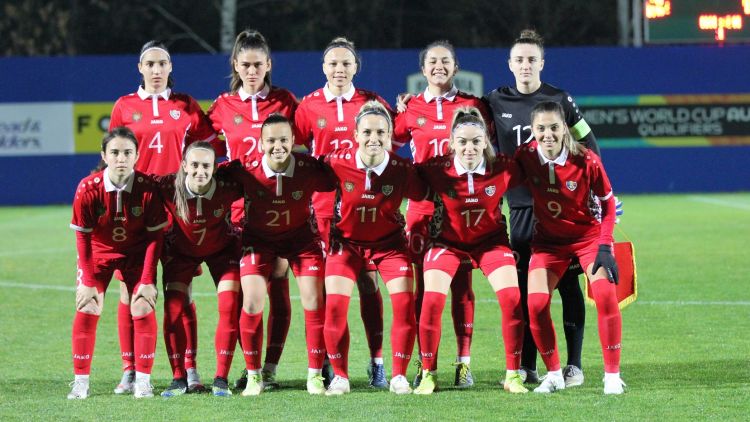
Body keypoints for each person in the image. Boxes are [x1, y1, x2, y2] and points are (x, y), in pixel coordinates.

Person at [483, 29, 599, 387]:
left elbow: (589, 143)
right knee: (525, 290)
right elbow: (462, 119)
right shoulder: (495, 101)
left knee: (566, 286)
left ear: (542, 63)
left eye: (532, 59)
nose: (525, 65)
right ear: (510, 64)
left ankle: (574, 365)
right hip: (519, 209)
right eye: (519, 59)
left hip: (561, 210)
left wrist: (592, 191)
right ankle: (530, 365)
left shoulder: (559, 99)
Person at [108, 40, 217, 394]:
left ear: (171, 68)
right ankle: (130, 369)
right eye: (150, 64)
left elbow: (207, 147)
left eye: (162, 64)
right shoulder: (124, 106)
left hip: (176, 209)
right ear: (140, 68)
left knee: (179, 291)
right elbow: (114, 158)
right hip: (136, 210)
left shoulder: (185, 106)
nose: (156, 71)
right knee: (130, 291)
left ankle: (191, 368)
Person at [295, 36, 399, 388]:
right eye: (333, 64)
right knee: (328, 291)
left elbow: (391, 144)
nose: (339, 70)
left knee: (370, 285)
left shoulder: (372, 103)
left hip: (366, 211)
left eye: (346, 64)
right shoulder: (307, 106)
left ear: (356, 67)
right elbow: (299, 159)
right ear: (323, 67)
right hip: (324, 214)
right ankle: (327, 362)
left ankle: (377, 362)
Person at [393, 40, 494, 388]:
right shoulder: (409, 110)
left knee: (462, 287)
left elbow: (491, 149)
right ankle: (426, 364)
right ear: (423, 69)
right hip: (422, 211)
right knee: (424, 290)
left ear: (455, 66)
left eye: (446, 61)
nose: (439, 66)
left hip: (463, 210)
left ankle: (463, 363)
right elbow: (387, 149)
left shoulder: (473, 105)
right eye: (432, 61)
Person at [206, 29, 300, 390]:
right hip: (239, 215)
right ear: (235, 64)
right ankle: (252, 368)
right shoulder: (221, 107)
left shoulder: (286, 102)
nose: (251, 70)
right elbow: (198, 145)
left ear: (268, 65)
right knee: (248, 292)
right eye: (245, 64)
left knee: (279, 284)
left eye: (258, 64)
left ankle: (270, 367)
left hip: (280, 209)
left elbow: (315, 137)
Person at [413, 107, 525, 395]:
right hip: (446, 244)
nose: (469, 147)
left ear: (486, 141)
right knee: (432, 300)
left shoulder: (503, 166)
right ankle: (428, 373)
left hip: (491, 243)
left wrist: (598, 202)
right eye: (462, 141)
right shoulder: (436, 169)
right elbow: (394, 180)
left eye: (476, 141)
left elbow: (546, 176)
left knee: (512, 297)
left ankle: (513, 375)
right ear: (452, 142)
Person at [515, 101, 624, 395]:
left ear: (564, 128)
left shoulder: (586, 159)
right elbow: (497, 181)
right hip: (547, 244)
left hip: (587, 239)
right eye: (541, 128)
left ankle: (612, 376)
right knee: (536, 305)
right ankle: (553, 374)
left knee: (604, 296)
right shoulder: (525, 156)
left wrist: (604, 245)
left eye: (554, 127)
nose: (547, 134)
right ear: (532, 130)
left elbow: (609, 204)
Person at [321, 101, 426, 396]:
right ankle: (340, 376)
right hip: (347, 245)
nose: (373, 138)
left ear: (391, 134)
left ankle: (399, 376)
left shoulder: (403, 169)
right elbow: (305, 181)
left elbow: (431, 191)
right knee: (335, 305)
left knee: (405, 305)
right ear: (355, 134)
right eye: (367, 131)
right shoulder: (335, 162)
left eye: (381, 132)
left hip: (390, 246)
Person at [228, 114, 335, 395]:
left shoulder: (309, 167)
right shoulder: (245, 169)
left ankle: (314, 375)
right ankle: (254, 375)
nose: (278, 146)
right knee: (251, 302)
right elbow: (211, 182)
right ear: (261, 143)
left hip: (301, 241)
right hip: (259, 241)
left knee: (314, 299)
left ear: (293, 141)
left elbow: (342, 177)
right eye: (272, 140)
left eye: (284, 140)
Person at [67, 127, 167, 399]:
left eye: (127, 153)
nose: (121, 158)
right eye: (115, 152)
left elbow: (155, 237)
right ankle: (80, 382)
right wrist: (87, 281)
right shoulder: (88, 188)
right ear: (104, 155)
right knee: (88, 306)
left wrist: (147, 279)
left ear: (137, 155)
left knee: (143, 304)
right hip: (99, 253)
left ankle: (143, 381)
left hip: (136, 253)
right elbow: (83, 237)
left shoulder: (148, 188)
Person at [151, 142, 244, 397]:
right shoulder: (168, 186)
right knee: (172, 312)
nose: (200, 171)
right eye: (194, 165)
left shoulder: (228, 186)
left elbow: (257, 181)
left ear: (215, 168)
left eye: (206, 165)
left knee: (229, 306)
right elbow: (138, 184)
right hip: (180, 254)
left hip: (223, 253)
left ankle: (221, 379)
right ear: (184, 166)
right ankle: (179, 378)